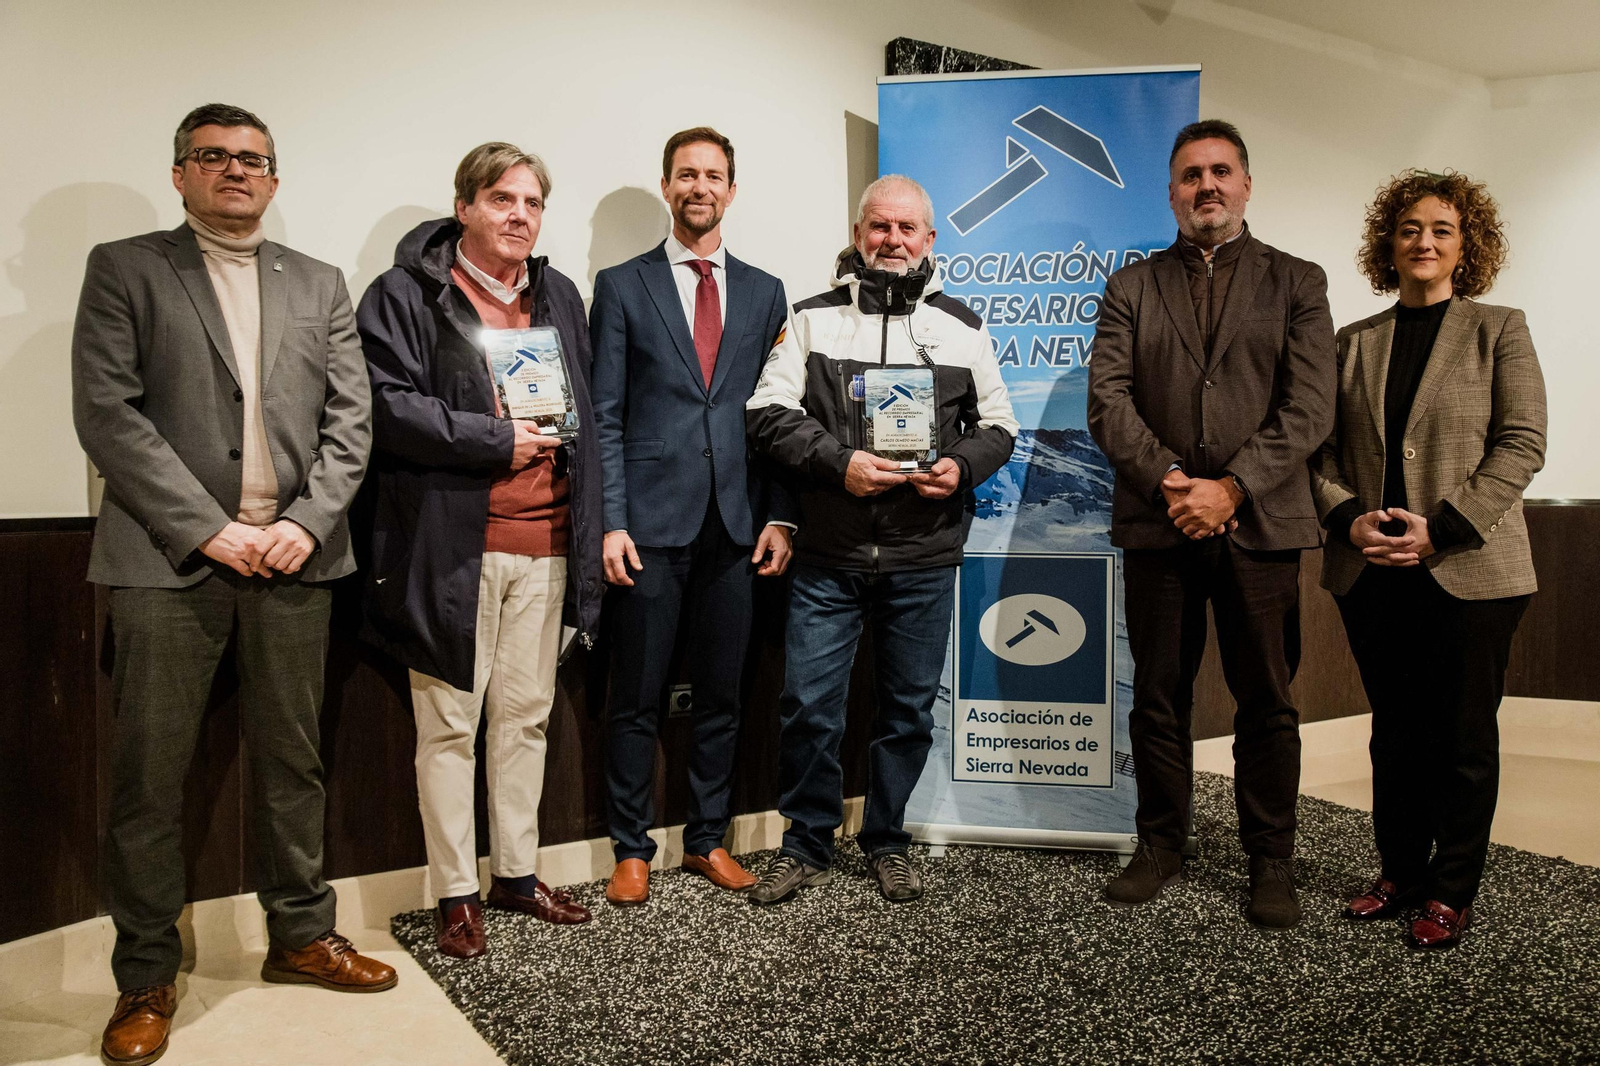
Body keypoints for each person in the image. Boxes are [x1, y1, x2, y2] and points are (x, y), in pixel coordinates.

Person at [72, 103, 391, 1066]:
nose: (235, 172)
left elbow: (352, 421)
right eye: (213, 158)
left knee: (294, 764)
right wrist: (211, 530)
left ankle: (300, 936)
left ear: (275, 178)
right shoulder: (126, 267)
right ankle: (144, 976)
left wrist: (302, 523)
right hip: (168, 564)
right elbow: (108, 413)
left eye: (253, 160)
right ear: (180, 175)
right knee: (148, 778)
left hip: (297, 561)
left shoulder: (322, 282)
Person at [357, 143, 603, 959]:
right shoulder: (406, 295)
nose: (519, 216)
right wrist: (493, 439)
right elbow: (385, 408)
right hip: (450, 548)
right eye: (502, 199)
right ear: (464, 207)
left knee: (525, 719)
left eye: (532, 202)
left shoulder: (560, 295)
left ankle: (518, 874)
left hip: (549, 541)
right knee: (450, 726)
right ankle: (456, 890)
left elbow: (589, 418)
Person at [1087, 119, 1336, 928]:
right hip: (1161, 527)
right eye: (1191, 175)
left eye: (1221, 172)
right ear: (1171, 193)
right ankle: (1161, 844)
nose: (1207, 187)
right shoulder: (1131, 286)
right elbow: (1109, 403)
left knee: (1267, 700)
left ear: (1247, 185)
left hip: (1259, 527)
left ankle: (1272, 859)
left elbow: (1310, 408)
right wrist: (1172, 484)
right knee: (1157, 698)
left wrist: (1230, 488)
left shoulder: (1298, 281)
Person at [745, 175, 1018, 905]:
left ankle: (888, 838)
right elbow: (766, 411)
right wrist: (840, 465)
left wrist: (959, 468)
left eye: (907, 229)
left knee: (905, 710)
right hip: (829, 557)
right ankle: (805, 842)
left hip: (922, 556)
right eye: (879, 227)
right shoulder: (810, 318)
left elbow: (1001, 427)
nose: (892, 240)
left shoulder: (963, 325)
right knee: (808, 706)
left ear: (930, 240)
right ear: (859, 232)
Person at [1313, 170, 1545, 949]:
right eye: (1410, 228)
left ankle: (1452, 891)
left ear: (1465, 245)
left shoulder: (1498, 329)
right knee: (1396, 733)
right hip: (1372, 572)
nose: (1424, 241)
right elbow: (1317, 456)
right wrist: (1347, 521)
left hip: (1470, 571)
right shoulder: (1353, 343)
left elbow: (1522, 444)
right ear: (1389, 242)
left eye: (1442, 229)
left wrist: (1440, 528)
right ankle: (1400, 872)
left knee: (1463, 737)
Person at [589, 127, 795, 906]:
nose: (699, 187)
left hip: (738, 526)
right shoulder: (621, 284)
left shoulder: (767, 290)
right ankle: (630, 848)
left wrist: (781, 519)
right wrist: (611, 520)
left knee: (723, 694)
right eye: (686, 175)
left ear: (731, 191)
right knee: (635, 696)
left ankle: (707, 841)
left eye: (713, 175)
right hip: (647, 524)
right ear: (668, 187)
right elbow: (604, 414)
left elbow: (777, 415)